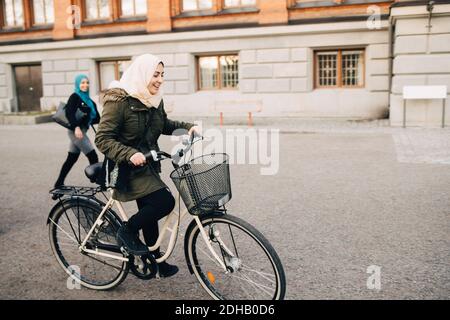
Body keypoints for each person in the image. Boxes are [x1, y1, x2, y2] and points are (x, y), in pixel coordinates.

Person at [95, 54, 200, 278]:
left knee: (149, 213)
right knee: (164, 201)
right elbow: (102, 139)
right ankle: (127, 230)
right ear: (142, 74)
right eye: (155, 74)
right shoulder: (119, 102)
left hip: (147, 165)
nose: (160, 79)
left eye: (162, 75)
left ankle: (154, 261)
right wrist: (130, 153)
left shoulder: (153, 99)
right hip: (123, 168)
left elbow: (164, 124)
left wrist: (187, 127)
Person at [54, 75, 100, 188]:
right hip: (75, 131)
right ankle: (99, 181)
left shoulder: (89, 101)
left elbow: (97, 118)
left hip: (81, 130)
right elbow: (69, 113)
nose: (85, 85)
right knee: (93, 155)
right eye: (82, 83)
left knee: (71, 158)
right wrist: (76, 127)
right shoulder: (75, 97)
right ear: (78, 84)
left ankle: (58, 183)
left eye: (87, 83)